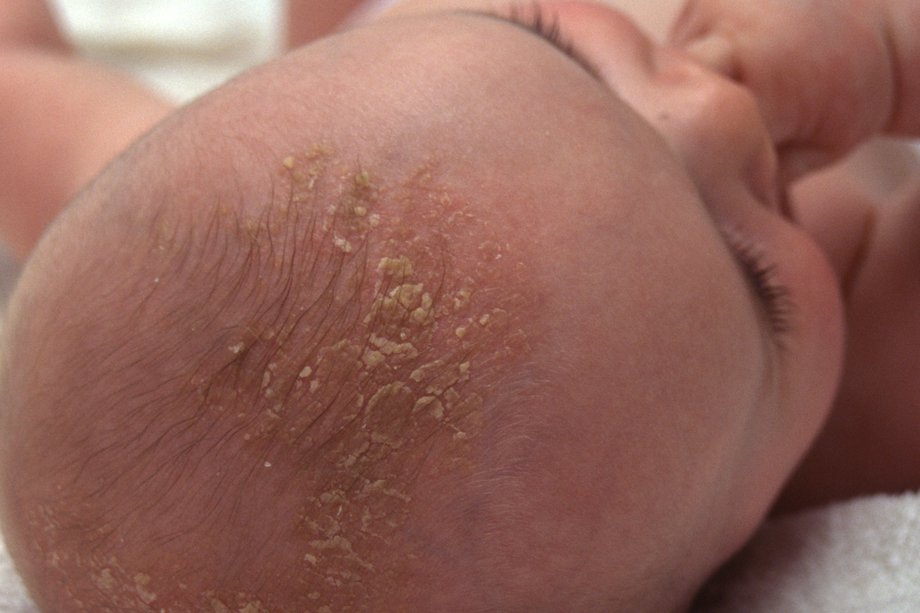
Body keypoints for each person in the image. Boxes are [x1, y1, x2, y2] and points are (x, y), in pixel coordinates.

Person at [0, 0, 916, 610]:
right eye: (754, 276)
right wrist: (885, 50)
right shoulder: (862, 381)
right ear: (718, 550)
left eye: (557, 51)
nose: (724, 110)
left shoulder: (187, 245)